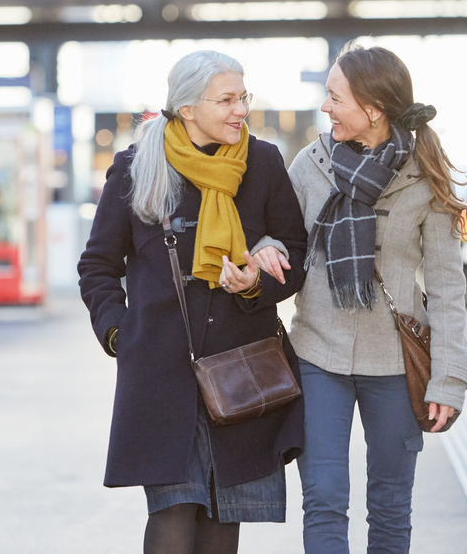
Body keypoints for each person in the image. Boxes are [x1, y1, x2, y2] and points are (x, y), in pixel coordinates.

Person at [78, 50, 308, 554]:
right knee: (173, 510)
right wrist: (119, 332)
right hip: (161, 372)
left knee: (225, 518)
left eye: (243, 97)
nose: (239, 110)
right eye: (226, 99)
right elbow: (97, 266)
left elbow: (298, 256)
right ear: (187, 108)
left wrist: (253, 283)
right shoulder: (136, 169)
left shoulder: (262, 163)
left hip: (241, 367)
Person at [285, 44, 467, 554]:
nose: (326, 108)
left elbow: (447, 285)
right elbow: (279, 239)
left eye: (335, 97)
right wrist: (261, 248)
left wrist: (449, 378)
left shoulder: (423, 176)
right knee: (323, 498)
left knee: (390, 504)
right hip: (317, 354)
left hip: (394, 362)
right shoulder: (310, 165)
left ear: (373, 109)